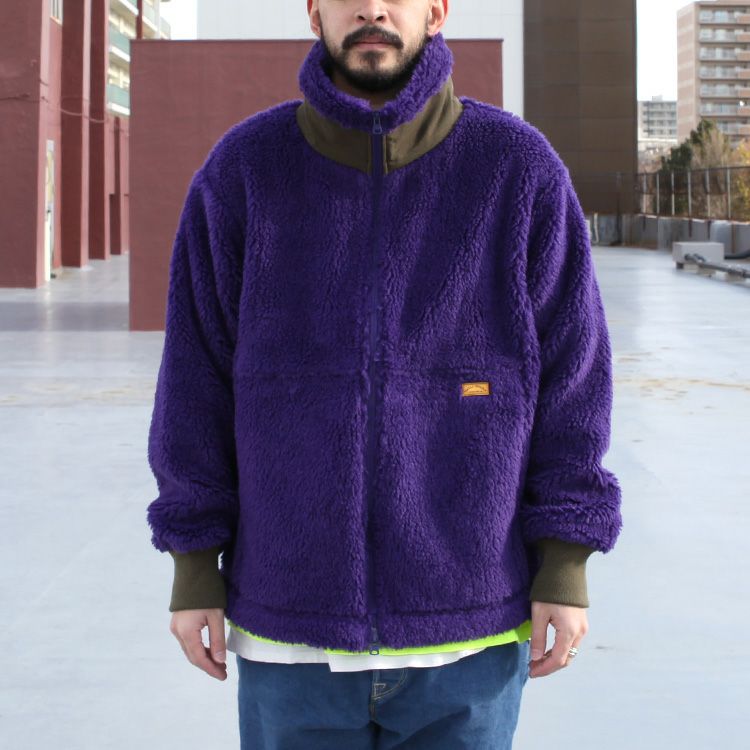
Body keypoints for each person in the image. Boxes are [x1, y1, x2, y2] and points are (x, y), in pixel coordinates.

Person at [145, 1, 623, 747]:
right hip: (290, 630)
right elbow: (193, 380)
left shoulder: (517, 169)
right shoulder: (244, 171)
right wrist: (193, 564)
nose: (372, 7)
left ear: (436, 10)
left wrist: (565, 562)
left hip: (469, 632)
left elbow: (575, 381)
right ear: (314, 12)